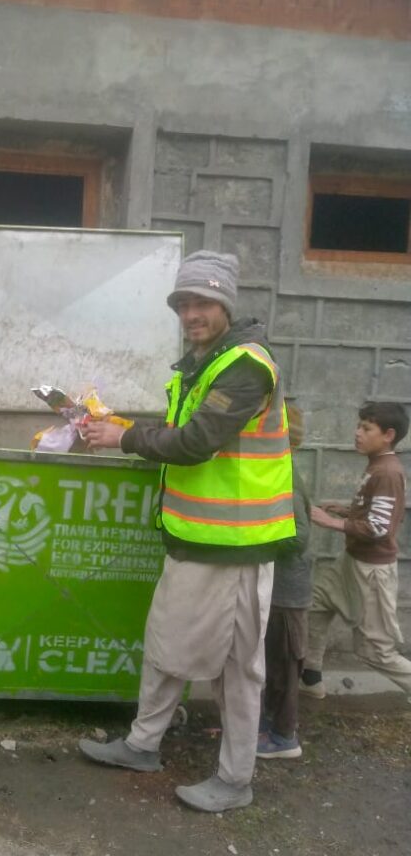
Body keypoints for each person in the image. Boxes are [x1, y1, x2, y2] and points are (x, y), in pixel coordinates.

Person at [78, 250, 295, 813]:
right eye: (183, 303)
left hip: (237, 545)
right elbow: (182, 429)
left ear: (226, 305)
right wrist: (124, 428)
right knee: (164, 646)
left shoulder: (246, 365)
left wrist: (124, 440)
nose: (191, 313)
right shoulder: (203, 364)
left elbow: (198, 442)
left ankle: (235, 779)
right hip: (197, 540)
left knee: (237, 668)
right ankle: (142, 744)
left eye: (203, 302)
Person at [300, 402, 410, 701]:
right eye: (359, 426)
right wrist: (346, 510)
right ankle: (311, 677)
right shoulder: (377, 464)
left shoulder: (387, 472)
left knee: (376, 652)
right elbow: (377, 513)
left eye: (366, 428)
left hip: (371, 571)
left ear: (388, 435)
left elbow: (379, 528)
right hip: (351, 560)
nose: (357, 433)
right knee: (316, 602)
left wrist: (330, 521)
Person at [257, 404, 311, 760]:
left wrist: (255, 538)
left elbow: (299, 536)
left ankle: (284, 737)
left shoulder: (285, 473)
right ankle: (267, 727)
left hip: (288, 589)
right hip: (278, 586)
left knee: (284, 666)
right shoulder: (278, 468)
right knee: (272, 663)